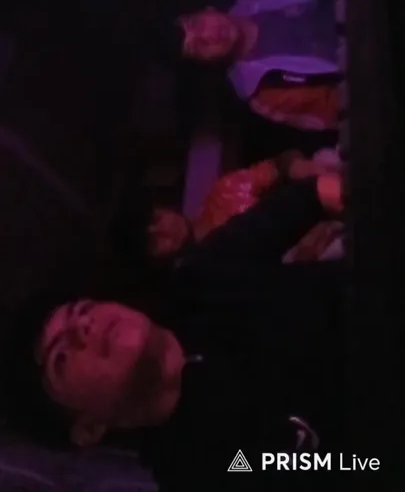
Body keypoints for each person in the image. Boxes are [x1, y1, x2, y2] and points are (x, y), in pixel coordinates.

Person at [4, 173, 345, 491]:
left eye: (82, 310)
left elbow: (314, 194)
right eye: (61, 357)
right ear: (87, 429)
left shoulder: (203, 278)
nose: (83, 327)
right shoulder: (204, 475)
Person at [174, 0, 340, 132]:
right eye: (199, 46)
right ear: (206, 62)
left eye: (198, 24)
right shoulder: (264, 96)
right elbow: (340, 110)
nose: (210, 36)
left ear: (208, 9)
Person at [147, 149, 343, 263]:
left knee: (325, 158)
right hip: (326, 258)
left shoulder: (224, 192)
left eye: (157, 219)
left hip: (324, 207)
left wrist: (295, 166)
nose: (164, 231)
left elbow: (282, 163)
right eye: (153, 241)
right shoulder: (211, 281)